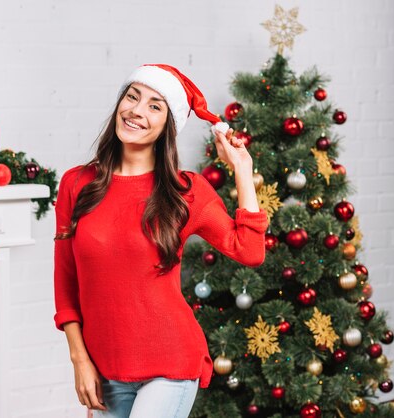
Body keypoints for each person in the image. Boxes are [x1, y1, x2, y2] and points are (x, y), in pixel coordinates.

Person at [53, 64, 268, 418]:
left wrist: (242, 170)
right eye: (132, 97)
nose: (137, 110)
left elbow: (249, 250)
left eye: (155, 105)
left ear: (168, 126)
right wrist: (79, 359)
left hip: (170, 361)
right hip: (104, 367)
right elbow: (65, 281)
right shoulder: (77, 184)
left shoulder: (187, 192)